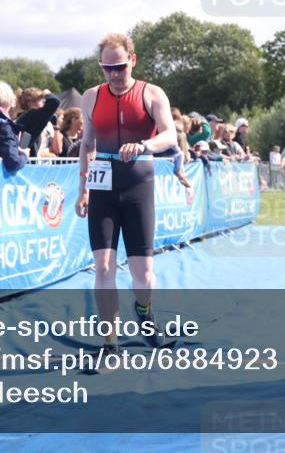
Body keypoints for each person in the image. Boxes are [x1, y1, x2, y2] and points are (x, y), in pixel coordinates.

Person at [75, 33, 178, 357]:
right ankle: (110, 341)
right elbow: (87, 145)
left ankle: (144, 309)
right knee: (103, 267)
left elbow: (170, 135)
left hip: (138, 187)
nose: (114, 75)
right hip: (103, 189)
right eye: (107, 69)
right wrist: (83, 189)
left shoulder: (151, 93)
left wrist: (144, 145)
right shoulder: (91, 97)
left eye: (119, 67)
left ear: (132, 60)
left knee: (143, 274)